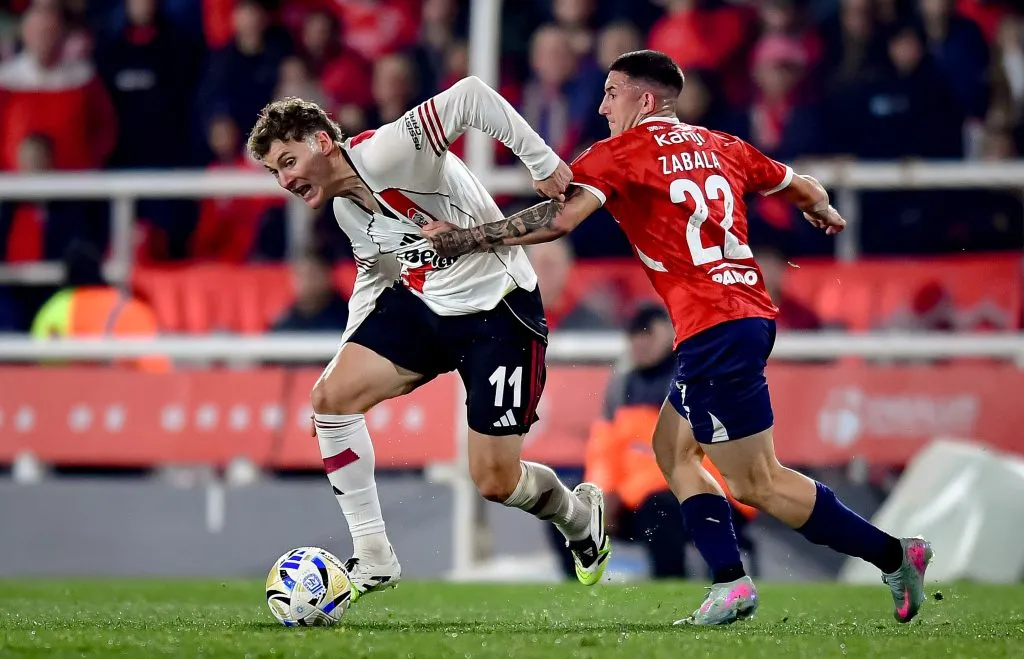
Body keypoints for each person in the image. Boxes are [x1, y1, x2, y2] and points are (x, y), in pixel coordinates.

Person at [419, 50, 932, 626]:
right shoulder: (722, 145)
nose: (602, 104)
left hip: (713, 326)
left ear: (644, 100)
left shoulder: (619, 154)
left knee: (755, 480)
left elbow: (559, 220)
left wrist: (464, 238)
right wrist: (823, 209)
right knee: (673, 448)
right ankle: (731, 582)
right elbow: (799, 184)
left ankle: (891, 555)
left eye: (611, 93)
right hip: (743, 315)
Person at [246, 76, 610, 602]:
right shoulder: (347, 210)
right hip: (426, 305)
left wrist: (542, 162)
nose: (283, 180)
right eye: (273, 171)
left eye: (286, 161)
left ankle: (578, 518)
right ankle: (373, 555)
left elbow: (472, 96)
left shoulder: (391, 149)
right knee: (330, 401)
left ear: (321, 142)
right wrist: (342, 363)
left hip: (499, 309)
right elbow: (375, 278)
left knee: (495, 480)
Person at [545, 304, 757, 580]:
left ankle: (672, 592)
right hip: (636, 498)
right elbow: (604, 451)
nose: (641, 342)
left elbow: (687, 460)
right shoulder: (621, 388)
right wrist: (602, 493)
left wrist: (622, 494)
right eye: (635, 334)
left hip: (711, 496)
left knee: (659, 508)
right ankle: (580, 589)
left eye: (648, 333)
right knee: (564, 504)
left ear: (671, 334)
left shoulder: (697, 381)